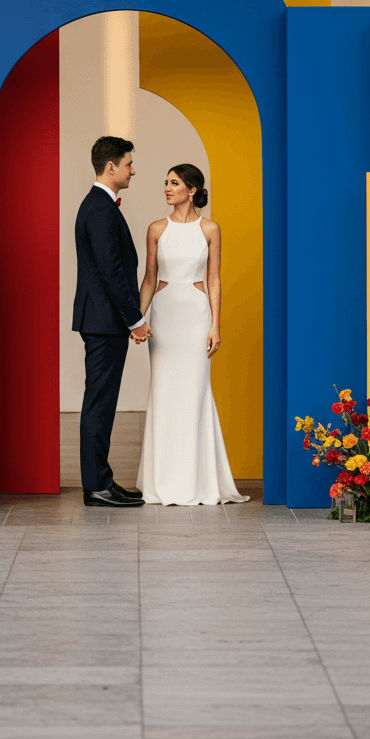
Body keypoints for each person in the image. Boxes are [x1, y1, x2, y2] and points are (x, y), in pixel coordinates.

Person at [136, 163, 249, 506]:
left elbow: (213, 278)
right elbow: (149, 279)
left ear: (193, 189)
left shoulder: (210, 228)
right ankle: (161, 482)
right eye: (166, 182)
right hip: (165, 315)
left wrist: (215, 324)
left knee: (195, 393)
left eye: (174, 183)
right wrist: (137, 320)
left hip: (196, 315)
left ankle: (199, 482)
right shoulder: (156, 228)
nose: (167, 188)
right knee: (165, 392)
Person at [72, 136, 151, 508]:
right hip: (104, 321)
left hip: (103, 320)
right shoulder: (101, 209)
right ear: (111, 168)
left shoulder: (99, 205)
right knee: (99, 403)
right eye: (129, 164)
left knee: (101, 402)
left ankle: (102, 481)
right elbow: (112, 272)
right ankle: (97, 486)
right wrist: (135, 319)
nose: (132, 170)